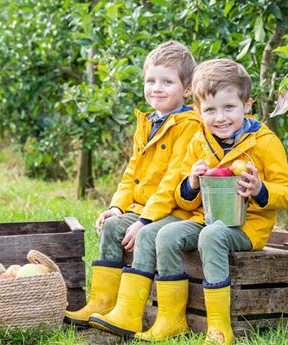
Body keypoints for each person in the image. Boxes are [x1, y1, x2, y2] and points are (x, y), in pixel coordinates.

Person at [139, 59, 288, 344]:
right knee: (166, 234)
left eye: (229, 108)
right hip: (205, 218)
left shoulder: (263, 142)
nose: (220, 118)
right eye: (210, 110)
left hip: (248, 226)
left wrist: (261, 190)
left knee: (213, 235)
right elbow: (184, 202)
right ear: (198, 111)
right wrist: (191, 184)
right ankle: (171, 318)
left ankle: (218, 327)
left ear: (247, 105)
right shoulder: (200, 142)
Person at [64, 41, 201, 335]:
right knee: (113, 227)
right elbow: (132, 173)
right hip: (145, 209)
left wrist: (144, 221)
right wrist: (117, 206)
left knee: (147, 235)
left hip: (176, 209)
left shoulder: (188, 125)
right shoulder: (148, 122)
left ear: (186, 90)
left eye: (167, 82)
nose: (156, 88)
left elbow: (172, 181)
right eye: (150, 81)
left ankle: (131, 312)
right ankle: (103, 302)